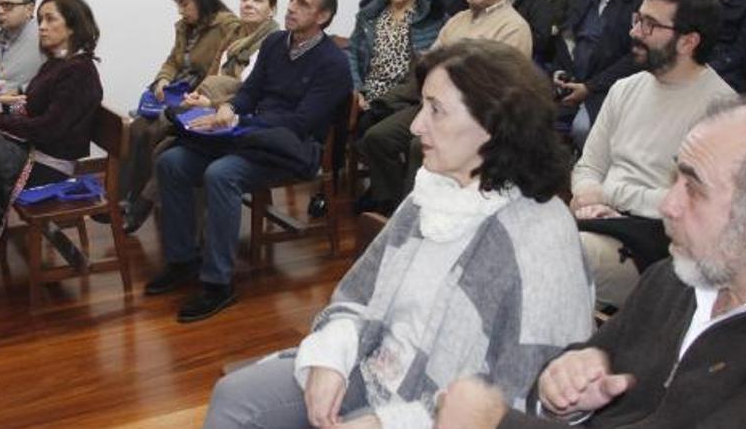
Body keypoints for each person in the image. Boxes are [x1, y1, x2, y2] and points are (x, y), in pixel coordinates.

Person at [437, 98, 746, 429]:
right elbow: (579, 373)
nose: (668, 204)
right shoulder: (681, 277)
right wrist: (569, 386)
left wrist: (495, 423)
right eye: (675, 177)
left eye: (693, 188)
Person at [205, 39, 593, 429]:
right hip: (375, 367)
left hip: (439, 414)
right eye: (422, 105)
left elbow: (521, 398)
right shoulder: (433, 190)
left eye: (435, 110)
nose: (415, 124)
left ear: (493, 125)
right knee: (235, 399)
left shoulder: (541, 236)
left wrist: (387, 422)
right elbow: (359, 293)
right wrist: (330, 359)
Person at [147, 0, 352, 323]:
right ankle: (183, 260)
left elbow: (301, 123)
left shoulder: (332, 63)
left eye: (303, 4)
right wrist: (229, 109)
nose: (291, 8)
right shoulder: (274, 43)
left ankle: (218, 283)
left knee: (221, 174)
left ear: (324, 15)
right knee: (171, 162)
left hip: (292, 149)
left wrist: (240, 121)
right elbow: (249, 92)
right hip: (249, 136)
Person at [570, 0, 736, 310]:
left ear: (689, 41)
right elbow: (588, 166)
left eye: (650, 25)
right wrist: (588, 193)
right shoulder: (625, 88)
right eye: (637, 19)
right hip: (601, 219)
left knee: (562, 257)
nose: (635, 32)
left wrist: (609, 194)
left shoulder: (722, 110)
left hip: (660, 240)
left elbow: (699, 205)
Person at [355, 0, 532, 215]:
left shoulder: (513, 27)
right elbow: (429, 63)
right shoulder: (458, 20)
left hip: (477, 114)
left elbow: (496, 85)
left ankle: (418, 212)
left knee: (420, 145)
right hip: (436, 104)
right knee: (377, 138)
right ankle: (395, 206)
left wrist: (449, 70)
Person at [122, 0, 282, 234]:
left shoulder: (271, 41)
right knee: (142, 130)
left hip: (235, 116)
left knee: (161, 141)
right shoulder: (235, 33)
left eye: (257, 0)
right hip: (206, 102)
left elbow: (251, 90)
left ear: (272, 8)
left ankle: (143, 205)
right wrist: (186, 90)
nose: (248, 4)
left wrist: (208, 99)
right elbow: (202, 68)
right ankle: (134, 200)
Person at [117, 0, 240, 229]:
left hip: (201, 97)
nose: (181, 10)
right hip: (179, 92)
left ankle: (142, 204)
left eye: (185, 4)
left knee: (156, 133)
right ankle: (124, 198)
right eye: (178, 4)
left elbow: (219, 72)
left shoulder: (227, 27)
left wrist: (194, 95)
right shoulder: (185, 28)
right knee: (136, 127)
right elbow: (173, 61)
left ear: (202, 0)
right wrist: (162, 80)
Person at [0, 0, 104, 186]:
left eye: (50, 19)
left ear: (72, 27)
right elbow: (30, 107)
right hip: (31, 150)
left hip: (50, 165)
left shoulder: (79, 72)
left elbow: (48, 129)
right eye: (41, 19)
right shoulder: (56, 64)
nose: (41, 27)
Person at [551, 0, 646, 147]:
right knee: (531, 116)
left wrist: (589, 87)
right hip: (575, 79)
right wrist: (559, 71)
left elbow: (635, 58)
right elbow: (567, 37)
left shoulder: (641, 1)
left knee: (582, 129)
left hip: (610, 88)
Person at [347, 0, 446, 112]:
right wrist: (357, 89)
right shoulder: (369, 16)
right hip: (370, 94)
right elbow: (352, 53)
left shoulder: (432, 18)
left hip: (409, 98)